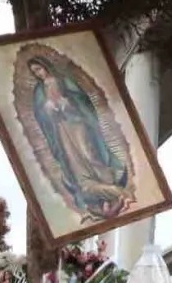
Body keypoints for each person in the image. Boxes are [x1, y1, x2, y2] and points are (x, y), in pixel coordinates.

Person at [27, 56, 130, 221]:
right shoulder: (39, 91)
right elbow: (39, 114)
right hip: (61, 129)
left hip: (77, 123)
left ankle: (112, 193)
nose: (38, 74)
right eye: (34, 72)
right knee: (76, 164)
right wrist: (47, 109)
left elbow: (82, 99)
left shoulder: (63, 80)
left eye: (38, 69)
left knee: (90, 155)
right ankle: (103, 199)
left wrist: (67, 102)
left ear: (45, 66)